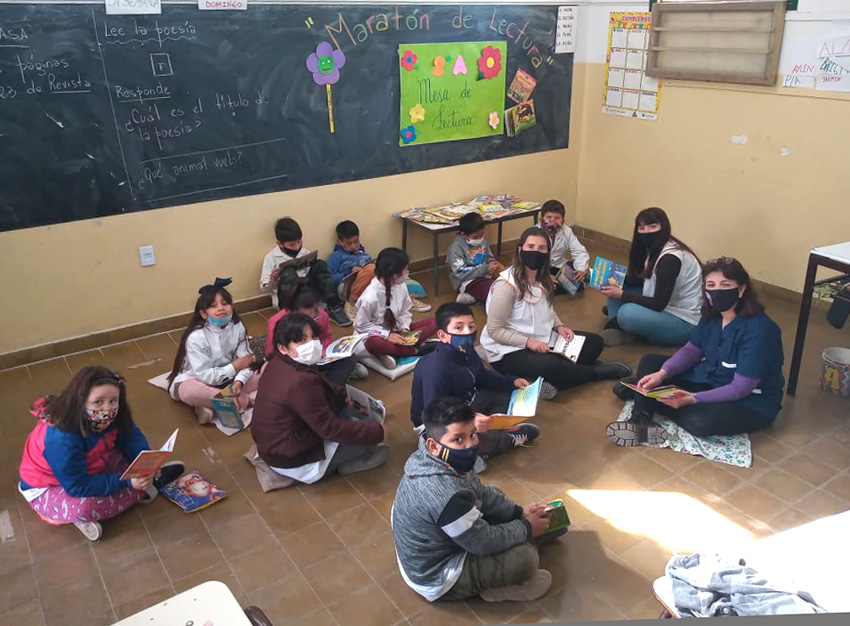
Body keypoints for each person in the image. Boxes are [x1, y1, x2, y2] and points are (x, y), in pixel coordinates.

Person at [606, 257, 785, 446]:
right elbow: (692, 351)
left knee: (700, 422)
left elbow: (739, 389)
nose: (717, 291)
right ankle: (640, 419)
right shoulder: (712, 315)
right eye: (711, 285)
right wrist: (663, 373)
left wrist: (692, 399)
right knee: (651, 362)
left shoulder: (760, 330)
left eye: (725, 285)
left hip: (749, 401)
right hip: (711, 379)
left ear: (741, 289)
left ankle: (647, 397)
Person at [392, 397, 555, 603]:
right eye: (458, 439)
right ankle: (496, 589)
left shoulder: (441, 459)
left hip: (446, 540)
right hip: (438, 576)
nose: (470, 445)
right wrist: (526, 528)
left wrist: (519, 512)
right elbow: (482, 542)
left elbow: (480, 492)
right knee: (525, 560)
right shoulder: (446, 495)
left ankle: (529, 534)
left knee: (494, 498)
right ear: (433, 445)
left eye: (473, 434)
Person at [18, 367, 185, 541]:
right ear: (80, 401)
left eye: (113, 401)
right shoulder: (60, 439)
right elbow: (77, 486)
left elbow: (130, 437)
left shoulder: (113, 414)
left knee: (145, 452)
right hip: (50, 487)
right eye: (98, 402)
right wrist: (128, 481)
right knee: (86, 509)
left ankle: (145, 482)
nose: (107, 409)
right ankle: (147, 486)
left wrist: (147, 463)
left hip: (92, 461)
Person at [479, 227, 632, 398]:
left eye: (541, 248)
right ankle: (594, 373)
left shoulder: (542, 277)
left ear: (547, 253)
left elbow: (546, 308)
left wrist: (559, 326)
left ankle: (556, 376)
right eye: (530, 247)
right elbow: (495, 330)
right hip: (508, 349)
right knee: (551, 365)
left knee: (594, 343)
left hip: (541, 338)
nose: (535, 252)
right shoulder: (506, 286)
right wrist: (529, 342)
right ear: (520, 250)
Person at [251, 312, 390, 483]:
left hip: (275, 447)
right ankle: (346, 464)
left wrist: (340, 398)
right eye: (301, 340)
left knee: (353, 416)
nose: (311, 344)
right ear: (283, 347)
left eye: (314, 337)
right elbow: (328, 429)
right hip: (291, 457)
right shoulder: (300, 382)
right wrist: (377, 433)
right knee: (369, 430)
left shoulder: (278, 362)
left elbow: (318, 388)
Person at [410, 302, 540, 460]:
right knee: (461, 440)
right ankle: (505, 439)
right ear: (443, 336)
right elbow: (435, 414)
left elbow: (482, 376)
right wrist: (469, 420)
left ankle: (482, 441)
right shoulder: (435, 369)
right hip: (437, 421)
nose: (468, 332)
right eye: (459, 328)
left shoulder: (466, 350)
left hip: (468, 403)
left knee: (506, 397)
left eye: (471, 326)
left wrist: (512, 382)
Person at [600, 207, 702, 347]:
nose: (646, 232)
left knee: (626, 312)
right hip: (666, 306)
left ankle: (622, 323)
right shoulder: (657, 248)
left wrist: (622, 295)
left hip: (685, 322)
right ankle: (622, 327)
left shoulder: (670, 259)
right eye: (641, 228)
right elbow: (647, 280)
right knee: (615, 284)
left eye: (653, 226)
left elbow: (658, 304)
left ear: (664, 226)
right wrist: (615, 277)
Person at [167, 278, 260, 424]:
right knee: (189, 392)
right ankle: (245, 400)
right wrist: (235, 366)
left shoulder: (237, 326)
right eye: (213, 306)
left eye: (225, 303)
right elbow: (205, 375)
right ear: (204, 314)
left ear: (232, 306)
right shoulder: (196, 337)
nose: (221, 308)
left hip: (230, 380)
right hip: (200, 380)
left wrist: (239, 382)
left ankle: (209, 406)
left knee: (268, 368)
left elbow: (246, 361)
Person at [353, 247, 438, 370]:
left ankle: (394, 352)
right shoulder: (369, 297)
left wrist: (404, 327)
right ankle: (415, 350)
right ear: (395, 275)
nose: (407, 272)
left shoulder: (401, 285)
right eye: (406, 270)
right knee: (375, 343)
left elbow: (405, 310)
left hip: (397, 329)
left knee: (435, 322)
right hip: (377, 336)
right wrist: (387, 335)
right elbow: (361, 325)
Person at [264, 284, 368, 383]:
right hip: (295, 364)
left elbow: (326, 336)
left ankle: (327, 383)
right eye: (305, 318)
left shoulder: (321, 315)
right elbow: (272, 354)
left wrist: (324, 349)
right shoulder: (276, 323)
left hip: (317, 359)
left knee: (350, 359)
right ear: (292, 312)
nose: (311, 320)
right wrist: (295, 356)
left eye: (314, 317)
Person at [327, 220, 430, 319]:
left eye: (356, 241)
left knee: (393, 268)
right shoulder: (336, 256)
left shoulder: (362, 253)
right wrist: (348, 272)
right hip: (349, 288)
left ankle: (405, 300)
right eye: (349, 243)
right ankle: (352, 302)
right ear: (340, 242)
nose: (354, 246)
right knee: (371, 269)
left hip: (369, 285)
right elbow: (329, 280)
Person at [259, 216, 351, 326]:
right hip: (288, 298)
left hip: (307, 292)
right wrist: (273, 278)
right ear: (280, 244)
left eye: (299, 242)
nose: (297, 247)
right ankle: (291, 314)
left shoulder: (304, 252)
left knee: (320, 264)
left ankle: (334, 307)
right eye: (292, 244)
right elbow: (264, 289)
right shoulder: (271, 258)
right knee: (288, 272)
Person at [447, 212, 503, 305]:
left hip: (485, 275)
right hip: (467, 281)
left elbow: (489, 257)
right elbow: (460, 272)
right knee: (493, 289)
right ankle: (473, 295)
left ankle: (471, 297)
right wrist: (485, 268)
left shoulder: (482, 241)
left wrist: (493, 264)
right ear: (463, 235)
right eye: (476, 237)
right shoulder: (456, 248)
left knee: (504, 282)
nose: (480, 238)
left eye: (482, 235)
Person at [537, 199, 590, 292]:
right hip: (538, 269)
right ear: (541, 220)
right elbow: (528, 261)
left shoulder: (566, 231)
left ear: (563, 221)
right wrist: (543, 276)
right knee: (543, 287)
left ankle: (580, 278)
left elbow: (579, 251)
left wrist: (581, 269)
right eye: (549, 217)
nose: (553, 221)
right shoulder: (534, 234)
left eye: (557, 218)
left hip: (558, 265)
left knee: (576, 280)